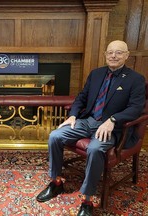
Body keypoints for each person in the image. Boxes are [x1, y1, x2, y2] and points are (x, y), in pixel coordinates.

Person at [36, 40, 146, 215]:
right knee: (55, 136)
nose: (113, 56)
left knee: (95, 148)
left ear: (127, 55)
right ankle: (56, 182)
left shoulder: (136, 79)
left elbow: (135, 108)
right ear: (105, 54)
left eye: (118, 53)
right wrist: (72, 115)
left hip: (111, 128)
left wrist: (113, 119)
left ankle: (87, 200)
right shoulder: (96, 74)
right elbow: (81, 97)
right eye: (110, 52)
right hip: (88, 121)